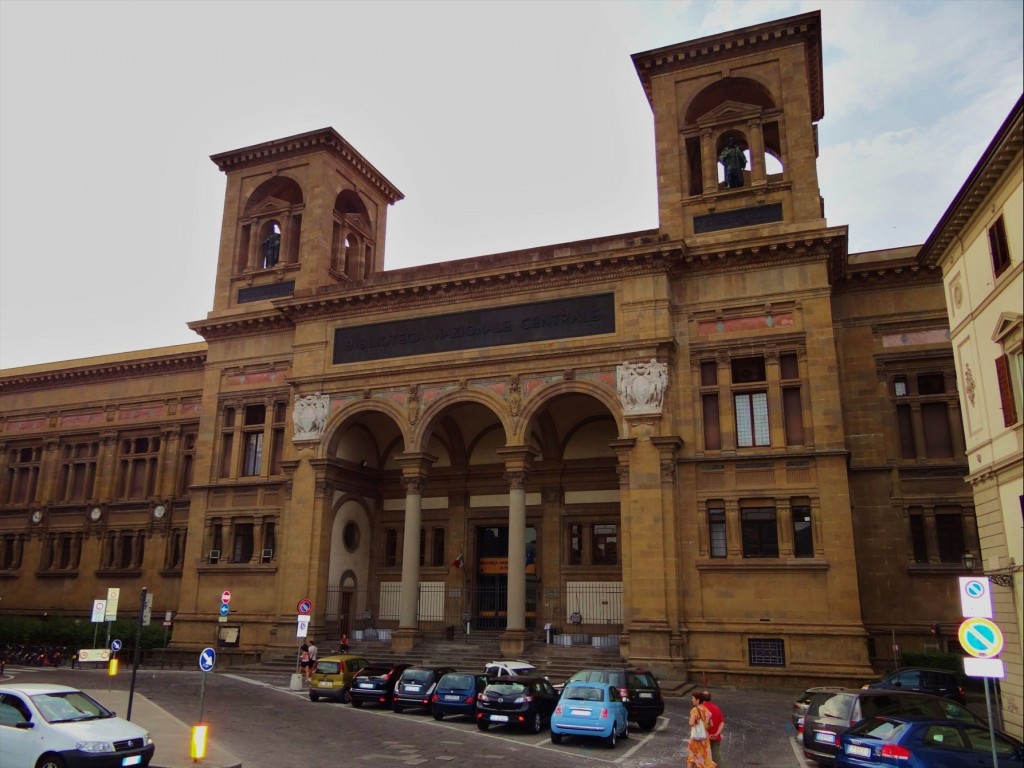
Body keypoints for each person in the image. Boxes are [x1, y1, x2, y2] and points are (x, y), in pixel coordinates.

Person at [687, 691, 716, 768]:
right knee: (705, 759)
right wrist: (704, 728)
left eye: (693, 698)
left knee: (692, 757)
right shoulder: (706, 710)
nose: (692, 700)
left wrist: (690, 722)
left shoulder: (694, 710)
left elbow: (691, 723)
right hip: (704, 739)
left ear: (698, 700)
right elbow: (711, 724)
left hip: (696, 739)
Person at [703, 689, 725, 766]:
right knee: (715, 759)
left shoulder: (700, 710)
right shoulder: (717, 708)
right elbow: (722, 722)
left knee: (702, 760)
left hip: (703, 738)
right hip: (715, 738)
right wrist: (717, 734)